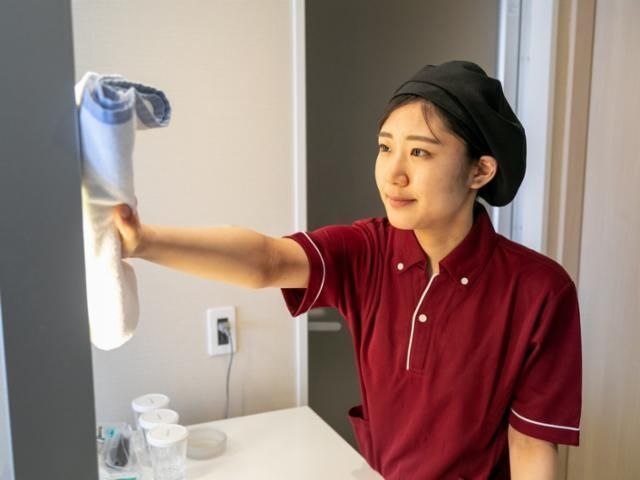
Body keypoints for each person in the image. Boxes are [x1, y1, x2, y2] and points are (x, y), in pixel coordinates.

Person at [113, 61, 581, 479]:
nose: (393, 173)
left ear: (480, 171)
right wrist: (144, 242)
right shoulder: (368, 251)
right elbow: (268, 260)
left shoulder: (540, 291)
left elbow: (531, 445)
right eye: (385, 147)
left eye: (420, 152)